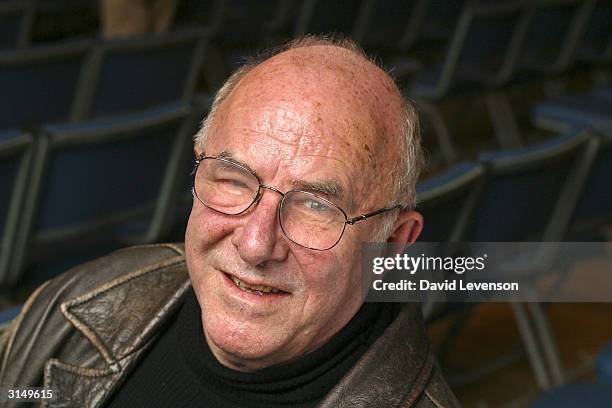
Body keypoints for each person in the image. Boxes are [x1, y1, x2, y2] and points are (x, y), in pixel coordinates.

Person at [0, 36, 460, 407]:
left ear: (394, 243)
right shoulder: (87, 300)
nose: (256, 244)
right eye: (236, 180)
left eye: (317, 206)